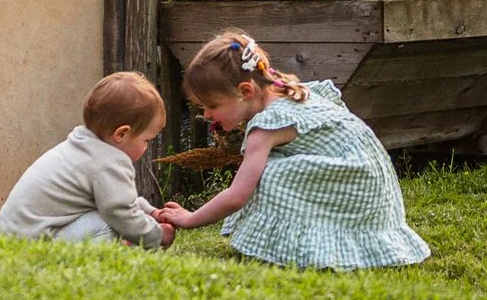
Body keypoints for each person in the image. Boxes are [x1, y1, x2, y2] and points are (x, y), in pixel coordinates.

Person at [154, 30, 428, 270]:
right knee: (271, 168)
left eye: (211, 106)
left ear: (245, 91)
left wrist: (191, 218)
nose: (207, 114)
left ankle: (311, 244)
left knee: (267, 176)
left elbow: (238, 195)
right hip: (372, 176)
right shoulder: (287, 90)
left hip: (357, 181)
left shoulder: (266, 126)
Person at [0, 72, 173, 249]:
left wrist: (151, 212)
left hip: (18, 237)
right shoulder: (109, 162)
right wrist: (157, 235)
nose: (147, 147)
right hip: (35, 246)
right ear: (122, 134)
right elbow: (121, 212)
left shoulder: (83, 147)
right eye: (146, 140)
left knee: (109, 214)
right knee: (111, 224)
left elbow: (120, 199)